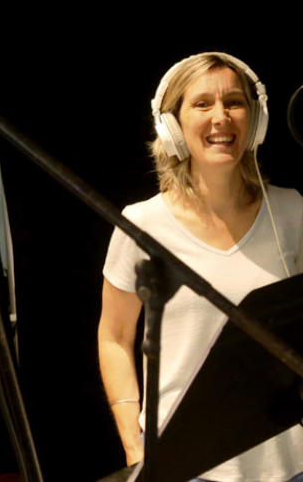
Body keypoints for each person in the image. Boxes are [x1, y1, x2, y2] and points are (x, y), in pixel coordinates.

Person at [98, 52, 303, 481]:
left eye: (234, 102)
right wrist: (135, 446)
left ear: (256, 120)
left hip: (289, 465)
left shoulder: (291, 212)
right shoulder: (141, 224)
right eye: (202, 104)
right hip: (184, 467)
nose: (221, 117)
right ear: (171, 126)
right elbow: (115, 337)